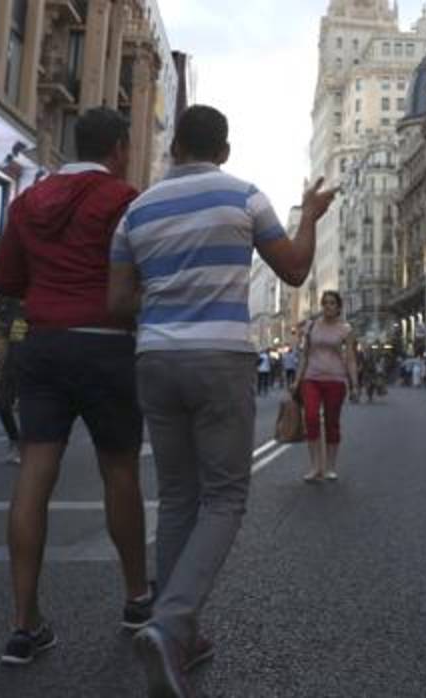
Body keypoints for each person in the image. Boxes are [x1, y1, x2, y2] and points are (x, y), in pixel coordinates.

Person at [108, 104, 338, 696]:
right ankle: (171, 621)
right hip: (219, 357)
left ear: (174, 147)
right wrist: (310, 215)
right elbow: (293, 270)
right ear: (225, 151)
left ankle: (180, 631)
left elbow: (117, 302)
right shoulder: (244, 197)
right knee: (226, 497)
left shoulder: (136, 211)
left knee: (180, 495)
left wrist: (168, 294)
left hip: (155, 359)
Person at [0, 107, 150, 666]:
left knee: (35, 474)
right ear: (119, 149)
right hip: (106, 345)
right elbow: (143, 276)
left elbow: (7, 279)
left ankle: (22, 624)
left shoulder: (28, 201)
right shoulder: (125, 200)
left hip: (43, 342)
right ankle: (136, 598)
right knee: (120, 471)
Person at [293, 291, 358, 482]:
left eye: (332, 303)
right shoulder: (311, 326)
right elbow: (304, 356)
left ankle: (330, 467)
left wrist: (354, 385)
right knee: (311, 418)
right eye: (325, 303)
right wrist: (297, 380)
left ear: (339, 307)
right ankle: (315, 467)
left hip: (336, 380)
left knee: (332, 423)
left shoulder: (345, 329)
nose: (328, 306)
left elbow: (351, 359)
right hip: (311, 378)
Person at [0, 298, 27, 464]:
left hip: (32, 367)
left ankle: (25, 447)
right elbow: (5, 340)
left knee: (27, 409)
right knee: (2, 406)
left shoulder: (40, 311)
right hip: (11, 366)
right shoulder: (13, 312)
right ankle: (14, 439)